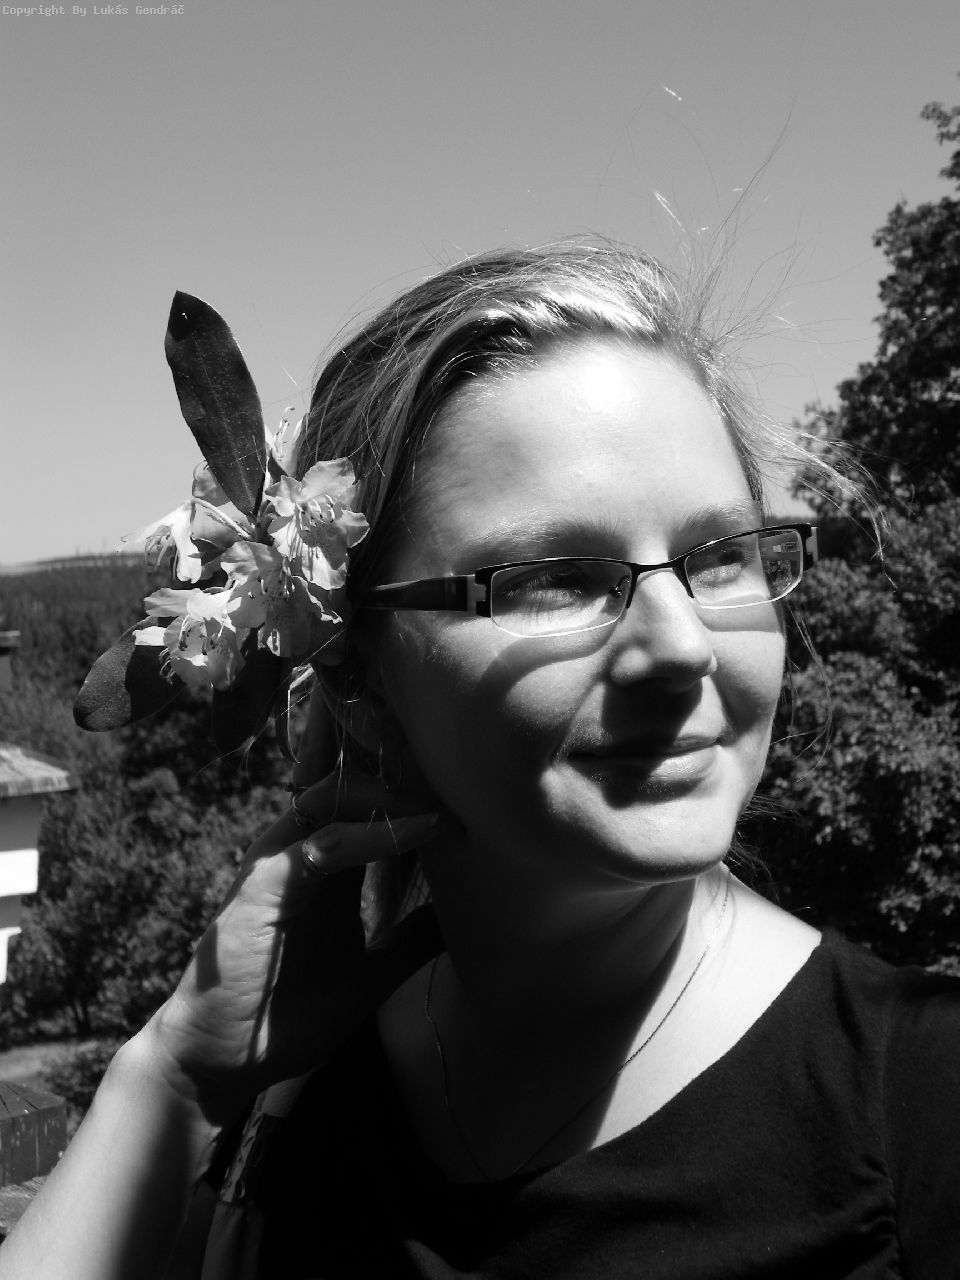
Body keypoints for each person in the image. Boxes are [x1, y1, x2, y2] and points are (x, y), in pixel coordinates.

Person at [4, 243, 959, 1279]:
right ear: (364, 682)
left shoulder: (921, 1109)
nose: (684, 646)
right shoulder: (283, 1111)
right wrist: (175, 1077)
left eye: (724, 555)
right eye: (555, 577)